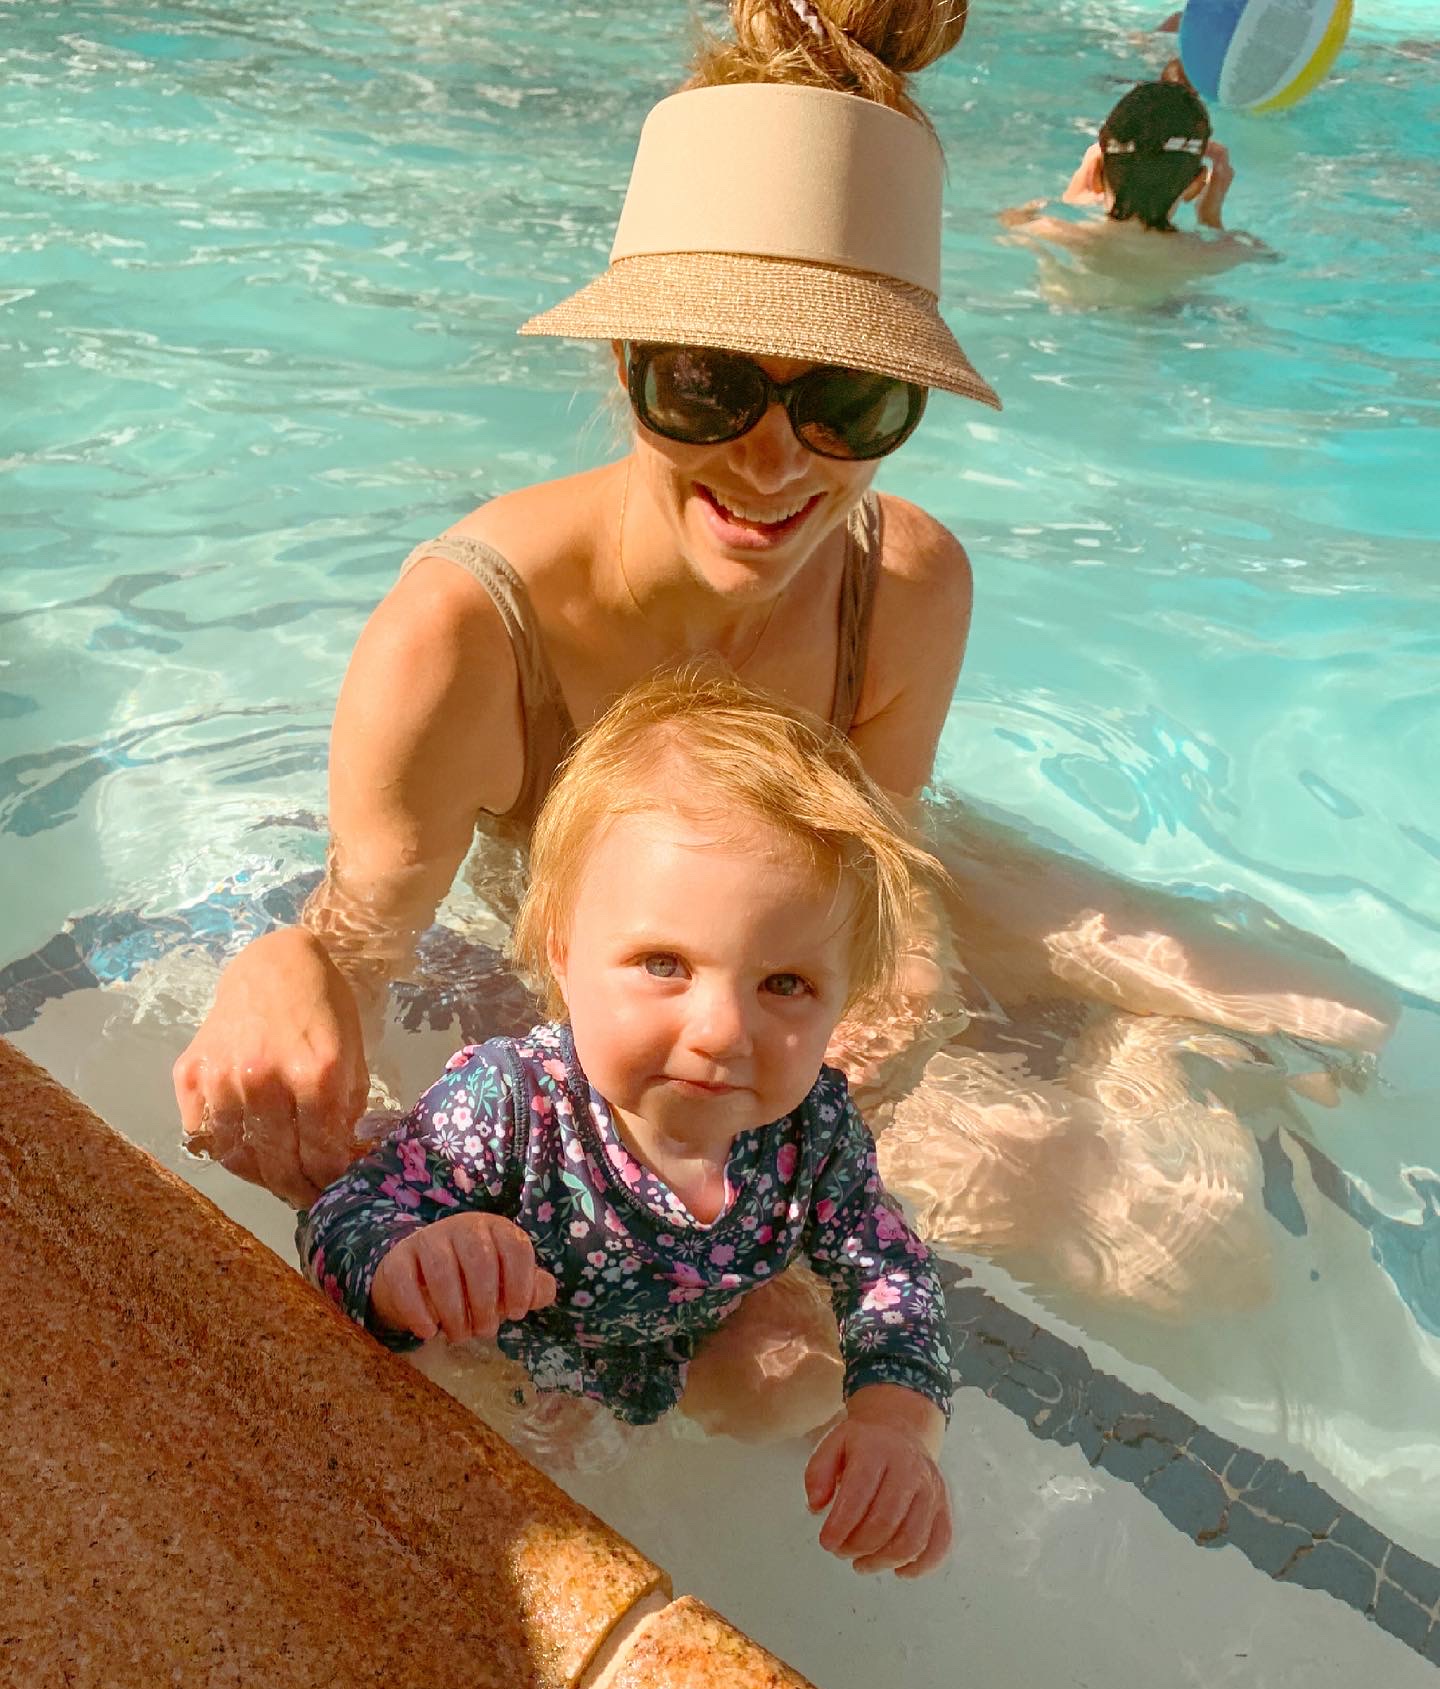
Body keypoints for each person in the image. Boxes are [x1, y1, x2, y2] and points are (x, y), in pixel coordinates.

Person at [173, 0, 1001, 1209]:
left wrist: (860, 1086)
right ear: (624, 365)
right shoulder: (465, 634)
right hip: (602, 976)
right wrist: (287, 962)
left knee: (1227, 1072)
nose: (774, 467)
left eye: (849, 403)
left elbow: (882, 891)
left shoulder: (905, 587)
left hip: (761, 977)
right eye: (708, 387)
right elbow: (364, 938)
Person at [302, 669, 954, 1578]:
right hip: (512, 1337)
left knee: (794, 1379)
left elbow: (891, 1271)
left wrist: (896, 1421)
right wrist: (409, 1263)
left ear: (844, 998)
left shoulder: (814, 1131)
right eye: (663, 962)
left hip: (677, 1332)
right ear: (564, 954)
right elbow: (341, 1212)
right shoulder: (511, 1107)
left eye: (785, 984)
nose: (723, 1030)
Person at [1005, 81, 1270, 305]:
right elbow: (1268, 258)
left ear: (1097, 175)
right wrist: (1211, 218)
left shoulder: (1045, 229)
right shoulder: (1223, 252)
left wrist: (1069, 201)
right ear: (1197, 183)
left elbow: (1009, 219)